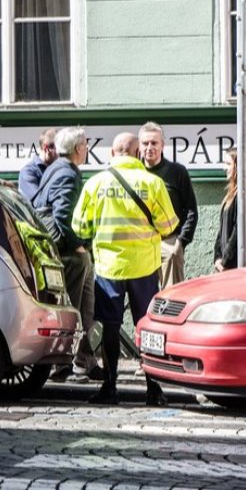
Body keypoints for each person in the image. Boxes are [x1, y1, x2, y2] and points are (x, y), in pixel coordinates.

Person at [72, 132, 179, 406]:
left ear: (112, 153)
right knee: (147, 326)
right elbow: (169, 227)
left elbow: (79, 227)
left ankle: (110, 386)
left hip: (109, 267)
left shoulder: (95, 184)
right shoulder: (153, 183)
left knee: (110, 327)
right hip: (144, 266)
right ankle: (153, 389)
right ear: (137, 153)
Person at [31, 127, 98, 383]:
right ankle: (63, 365)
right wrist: (78, 245)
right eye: (86, 145)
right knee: (72, 309)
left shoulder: (55, 168)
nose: (88, 149)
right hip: (70, 255)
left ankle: (85, 362)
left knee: (83, 310)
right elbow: (63, 217)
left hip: (71, 253)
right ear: (79, 149)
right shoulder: (67, 174)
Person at [138, 122, 197, 288]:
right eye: (145, 143)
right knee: (143, 299)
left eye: (154, 143)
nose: (150, 147)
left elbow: (191, 209)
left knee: (172, 298)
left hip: (169, 242)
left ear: (162, 145)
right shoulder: (134, 174)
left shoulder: (177, 172)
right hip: (140, 244)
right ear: (139, 146)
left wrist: (180, 242)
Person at [213, 148, 246, 272]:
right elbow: (222, 231)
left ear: (239, 166)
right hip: (229, 264)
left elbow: (241, 228)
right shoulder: (232, 193)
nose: (224, 168)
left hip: (244, 265)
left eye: (228, 164)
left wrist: (225, 260)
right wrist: (217, 257)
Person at [18, 127, 58, 202]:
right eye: (59, 149)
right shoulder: (28, 172)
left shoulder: (57, 169)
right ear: (47, 148)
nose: (62, 153)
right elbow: (38, 202)